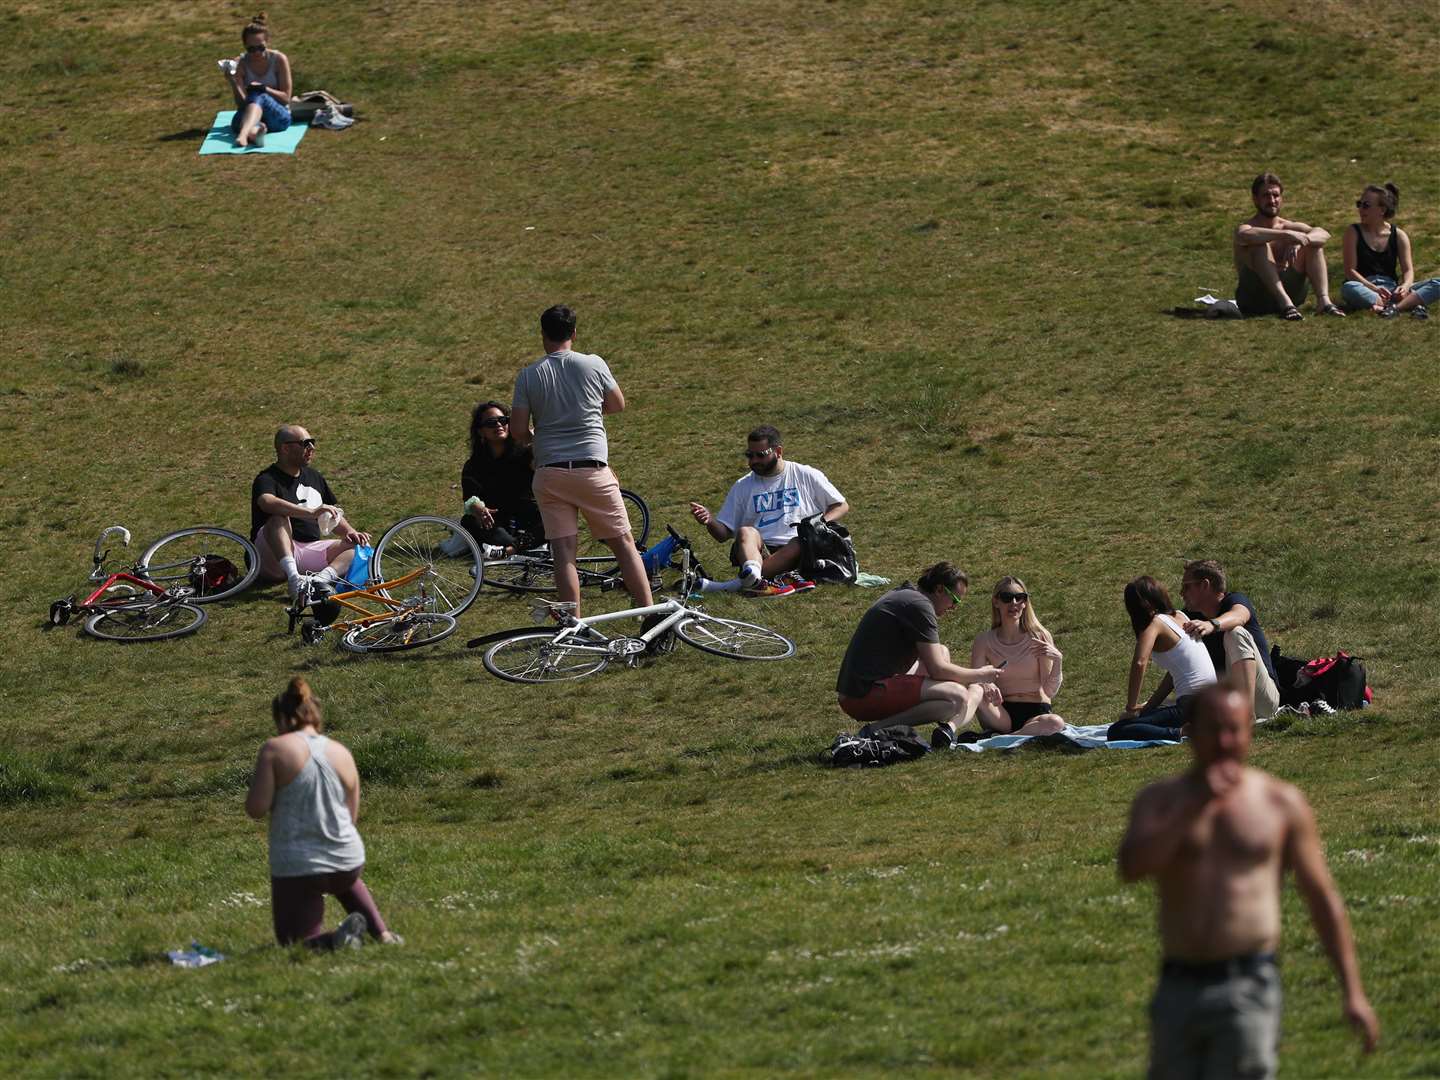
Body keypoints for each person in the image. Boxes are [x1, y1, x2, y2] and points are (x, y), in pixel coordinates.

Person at [1118, 686, 1380, 1077]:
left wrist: (1353, 992)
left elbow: (1322, 899)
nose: (1225, 742)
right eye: (1214, 730)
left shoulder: (1279, 803)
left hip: (1248, 984)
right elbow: (1132, 867)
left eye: (1235, 730)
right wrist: (1192, 807)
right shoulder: (1159, 801)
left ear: (1250, 732)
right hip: (1177, 986)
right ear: (1191, 731)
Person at [510, 305, 652, 617]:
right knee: (624, 543)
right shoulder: (593, 364)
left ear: (543, 335)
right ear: (574, 333)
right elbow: (617, 404)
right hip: (592, 470)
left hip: (550, 474)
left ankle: (572, 624)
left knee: (563, 552)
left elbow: (518, 431)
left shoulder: (528, 375)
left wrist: (541, 434)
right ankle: (649, 613)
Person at [245, 677, 402, 948]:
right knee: (340, 873)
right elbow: (350, 817)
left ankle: (336, 941)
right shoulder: (341, 752)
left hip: (301, 866)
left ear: (283, 719)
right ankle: (382, 934)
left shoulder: (275, 749)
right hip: (348, 860)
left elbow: (256, 809)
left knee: (293, 942)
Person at [835, 562, 1005, 750]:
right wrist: (981, 675)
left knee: (942, 652)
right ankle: (875, 730)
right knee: (957, 699)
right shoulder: (921, 606)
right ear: (940, 589)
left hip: (857, 689)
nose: (954, 608)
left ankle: (895, 724)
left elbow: (936, 661)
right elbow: (938, 669)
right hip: (861, 696)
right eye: (954, 600)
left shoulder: (908, 595)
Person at [688, 425, 848, 597]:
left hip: (802, 551)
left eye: (760, 455)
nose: (754, 461)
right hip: (759, 553)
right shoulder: (743, 486)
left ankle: (737, 584)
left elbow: (840, 505)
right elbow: (723, 534)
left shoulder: (804, 474)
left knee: (799, 539)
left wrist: (816, 525)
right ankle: (755, 578)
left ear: (778, 451)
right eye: (749, 455)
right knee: (746, 531)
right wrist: (709, 520)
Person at [251, 424, 370, 602]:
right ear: (285, 448)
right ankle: (294, 579)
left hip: (308, 550)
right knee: (277, 518)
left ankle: (319, 580)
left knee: (362, 549)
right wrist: (311, 512)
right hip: (271, 554)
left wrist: (352, 533)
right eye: (306, 443)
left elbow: (331, 514)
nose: (311, 448)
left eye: (312, 443)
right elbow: (267, 502)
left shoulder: (314, 476)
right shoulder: (267, 478)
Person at [1109, 576, 1217, 742]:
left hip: (1191, 705)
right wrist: (1148, 707)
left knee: (1117, 730)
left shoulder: (1156, 623)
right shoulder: (1180, 616)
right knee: (1147, 717)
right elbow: (1173, 675)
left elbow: (1139, 662)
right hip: (1212, 701)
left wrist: (1130, 708)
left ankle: (1181, 733)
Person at [1178, 560, 1280, 722]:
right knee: (1161, 706)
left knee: (1235, 633)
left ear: (1205, 585)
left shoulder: (1235, 601)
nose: (1181, 593)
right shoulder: (1191, 619)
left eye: (1187, 586)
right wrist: (1148, 705)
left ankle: (1246, 716)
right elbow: (1177, 666)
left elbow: (1239, 616)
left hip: (1262, 700)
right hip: (1224, 700)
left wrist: (1212, 625)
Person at [1233, 172, 1345, 321]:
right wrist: (1285, 235)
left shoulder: (1290, 226)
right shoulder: (1248, 227)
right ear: (1255, 199)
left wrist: (1301, 241)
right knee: (1259, 245)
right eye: (1266, 195)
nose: (1272, 200)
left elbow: (1323, 234)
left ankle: (1324, 302)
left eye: (1276, 195)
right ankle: (1286, 304)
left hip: (1294, 294)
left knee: (1314, 246)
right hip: (1254, 300)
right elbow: (1244, 236)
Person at [969, 576, 1066, 736]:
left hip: (1036, 710)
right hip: (1001, 711)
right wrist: (987, 686)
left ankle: (1005, 738)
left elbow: (1049, 691)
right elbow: (975, 679)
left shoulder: (1039, 636)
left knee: (1055, 722)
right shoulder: (984, 640)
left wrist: (1058, 661)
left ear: (1025, 603)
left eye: (1020, 597)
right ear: (996, 602)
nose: (1014, 603)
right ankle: (1017, 736)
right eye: (1007, 597)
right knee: (975, 689)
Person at [1341, 182, 1439, 320]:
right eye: (1359, 204)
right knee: (1348, 287)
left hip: (1392, 288)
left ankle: (1393, 308)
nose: (1360, 209)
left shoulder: (1399, 235)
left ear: (1382, 210)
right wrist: (1374, 289)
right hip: (1365, 287)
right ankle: (1408, 304)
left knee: (1438, 283)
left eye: (1366, 205)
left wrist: (1404, 287)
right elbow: (1350, 271)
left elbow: (1408, 270)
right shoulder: (1353, 232)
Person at [460, 401, 542, 555]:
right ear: (481, 431)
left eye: (503, 420)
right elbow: (470, 496)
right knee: (469, 521)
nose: (498, 425)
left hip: (527, 514)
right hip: (496, 520)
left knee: (552, 515)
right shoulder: (475, 464)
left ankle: (509, 550)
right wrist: (477, 507)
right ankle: (525, 548)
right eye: (491, 423)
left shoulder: (526, 454)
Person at [219, 12, 292, 149]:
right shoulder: (241, 63)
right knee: (253, 97)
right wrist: (233, 82)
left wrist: (264, 89)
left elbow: (286, 99)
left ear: (267, 42)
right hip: (250, 114)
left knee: (259, 94)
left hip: (278, 117)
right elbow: (242, 104)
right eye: (251, 49)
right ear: (245, 46)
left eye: (261, 47)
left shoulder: (279, 59)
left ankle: (243, 135)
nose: (257, 52)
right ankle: (254, 134)